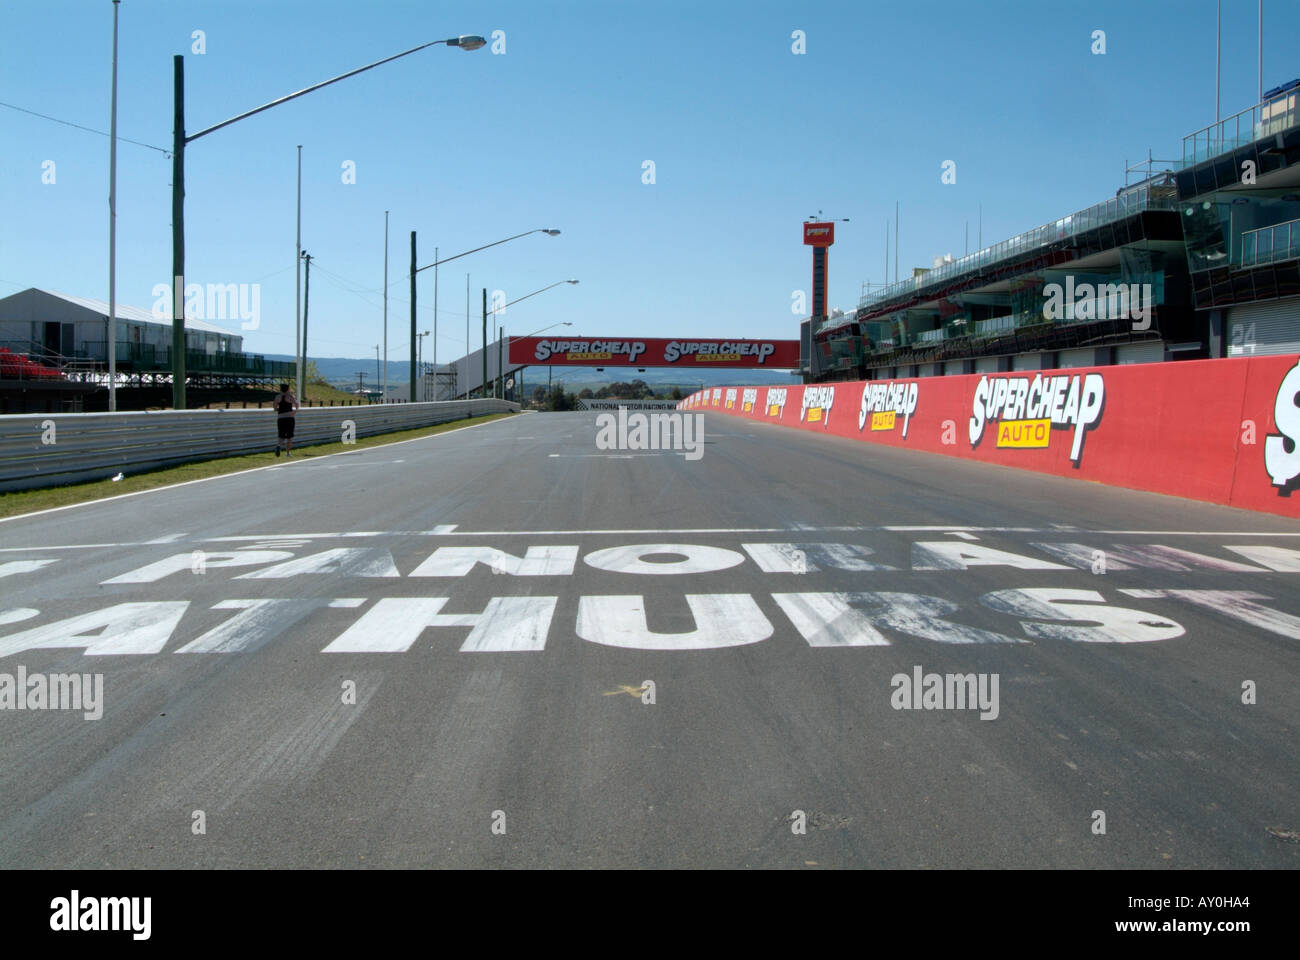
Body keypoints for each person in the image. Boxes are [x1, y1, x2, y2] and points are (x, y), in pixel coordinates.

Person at [274, 383, 298, 457]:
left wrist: (278, 409)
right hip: (289, 417)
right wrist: (295, 411)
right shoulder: (290, 396)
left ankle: (279, 445)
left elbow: (275, 408)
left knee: (281, 435)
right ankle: (288, 453)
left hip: (281, 418)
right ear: (288, 389)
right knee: (289, 436)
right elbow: (296, 404)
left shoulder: (278, 397)